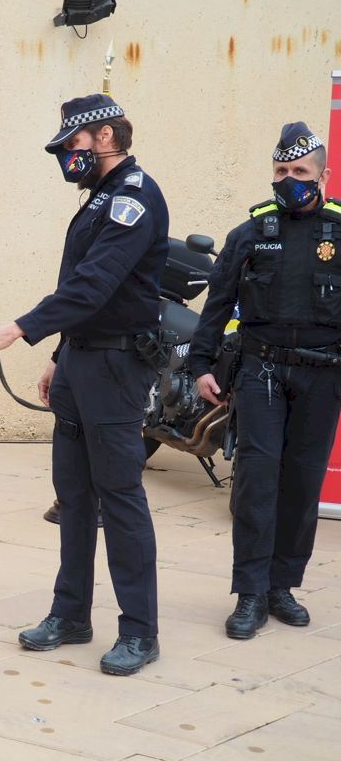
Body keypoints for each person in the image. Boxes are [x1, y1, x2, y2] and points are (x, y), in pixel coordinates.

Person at [0, 94, 169, 676]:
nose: (64, 157)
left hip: (116, 369)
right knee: (73, 495)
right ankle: (71, 614)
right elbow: (78, 289)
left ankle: (140, 631)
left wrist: (18, 329)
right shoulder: (98, 197)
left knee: (119, 496)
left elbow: (94, 285)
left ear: (104, 136)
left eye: (71, 144)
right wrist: (59, 353)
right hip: (81, 361)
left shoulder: (133, 198)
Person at [189, 122, 340, 640]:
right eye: (281, 170)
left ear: (322, 176)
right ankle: (250, 593)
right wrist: (201, 364)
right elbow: (217, 302)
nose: (289, 179)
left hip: (324, 375)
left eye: (300, 171)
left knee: (302, 482)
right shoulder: (251, 233)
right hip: (262, 371)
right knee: (256, 481)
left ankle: (282, 586)